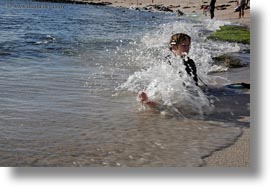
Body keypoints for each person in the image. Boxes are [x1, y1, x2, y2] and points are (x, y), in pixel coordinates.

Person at [138, 33, 199, 108]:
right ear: (174, 47)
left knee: (174, 93)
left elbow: (194, 83)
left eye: (188, 45)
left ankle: (158, 105)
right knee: (158, 84)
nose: (187, 48)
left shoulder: (190, 63)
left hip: (183, 90)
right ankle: (149, 95)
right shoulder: (168, 59)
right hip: (170, 86)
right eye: (183, 45)